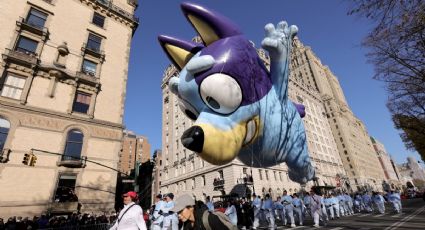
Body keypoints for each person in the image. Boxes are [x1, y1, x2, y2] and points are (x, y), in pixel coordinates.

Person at [171, 193, 238, 230]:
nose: (178, 215)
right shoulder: (186, 224)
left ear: (191, 207)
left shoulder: (211, 218)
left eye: (180, 211)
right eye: (177, 212)